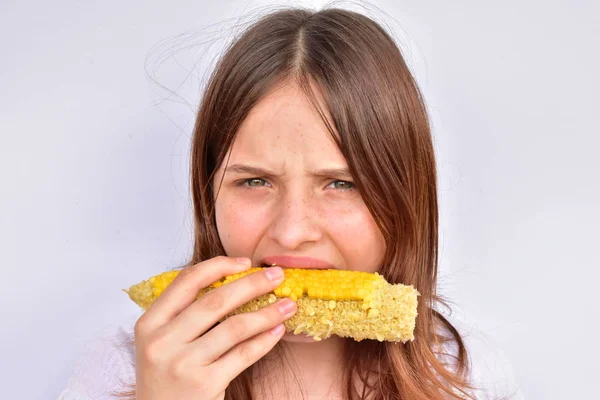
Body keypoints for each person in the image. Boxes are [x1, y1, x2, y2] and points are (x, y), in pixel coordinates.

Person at [59, 6, 525, 400]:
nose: (292, 230)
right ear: (208, 193)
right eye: (255, 181)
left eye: (342, 184)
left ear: (406, 195)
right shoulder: (123, 369)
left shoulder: (466, 373)